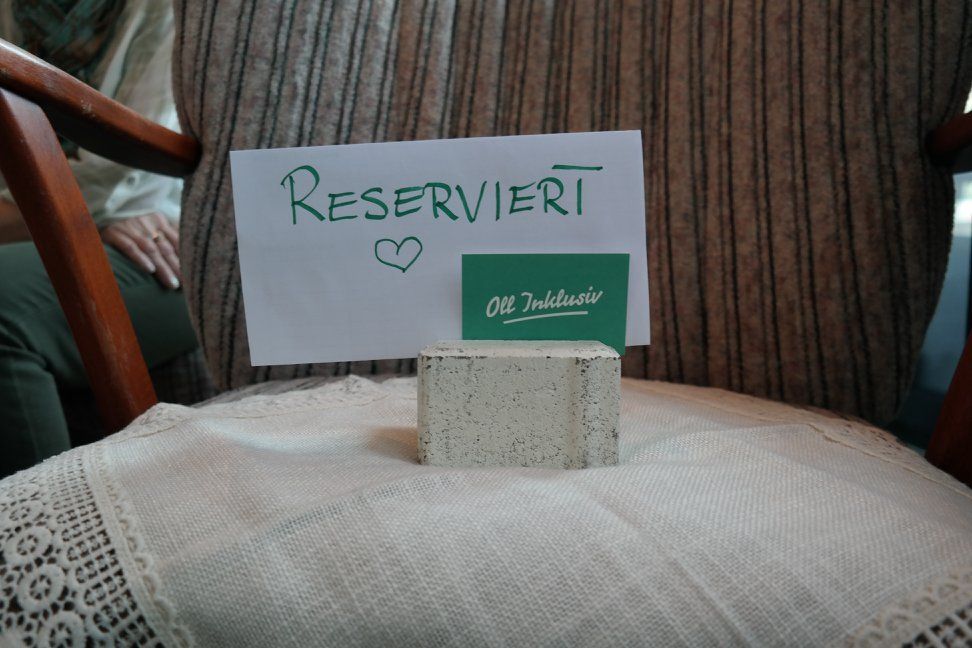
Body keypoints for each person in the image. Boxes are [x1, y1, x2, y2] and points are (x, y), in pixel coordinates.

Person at [0, 0, 199, 476]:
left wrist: (79, 211)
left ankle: (51, 522)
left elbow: (121, 177)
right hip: (65, 223)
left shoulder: (174, 13)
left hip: (168, 243)